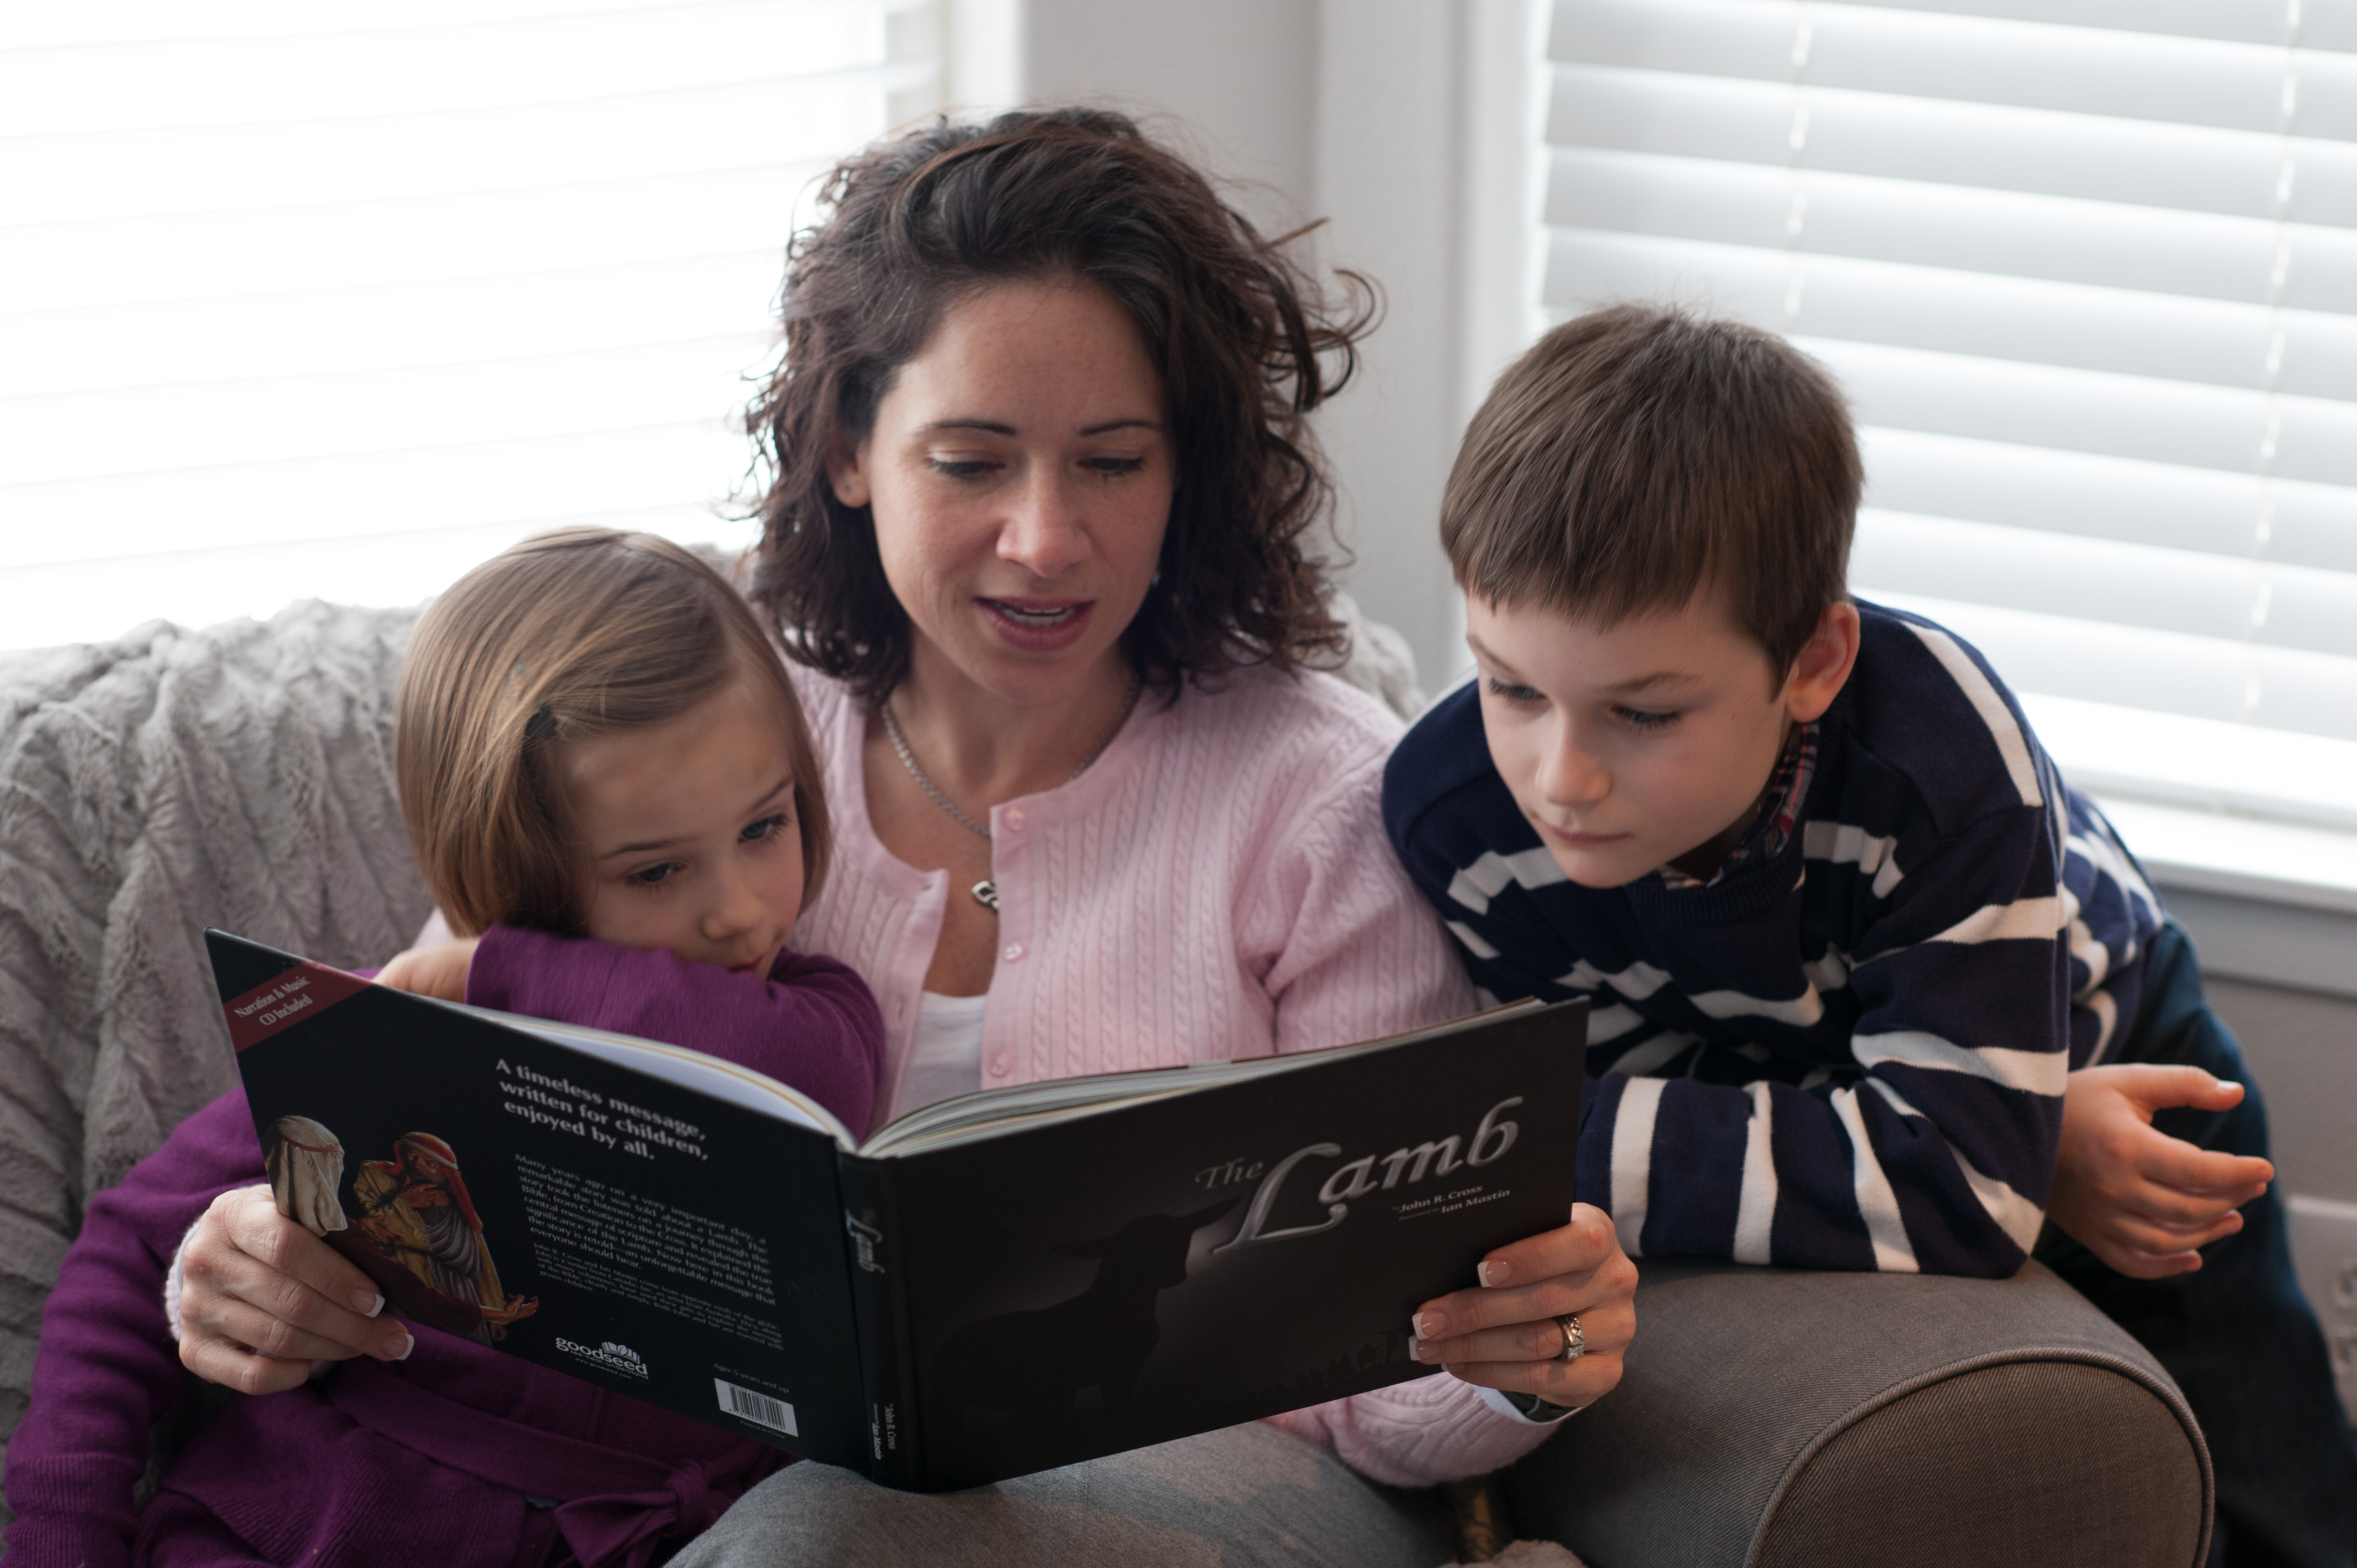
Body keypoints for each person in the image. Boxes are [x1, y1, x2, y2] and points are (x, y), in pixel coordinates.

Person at [156, 109, 1640, 1566]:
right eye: (973, 462)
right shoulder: (721, 716)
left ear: (1186, 470)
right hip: (701, 1494)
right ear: (851, 448)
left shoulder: (1318, 796)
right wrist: (253, 1249)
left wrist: (1520, 1360)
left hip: (1233, 1499)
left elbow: (1394, 1397)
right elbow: (432, 1067)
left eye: (1112, 462)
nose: (1044, 540)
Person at [1384, 302, 2357, 1567]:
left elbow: (1943, 1195)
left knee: (2276, 1504)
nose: (1560, 779)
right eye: (1511, 686)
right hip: (1882, 1094)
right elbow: (1679, 1114)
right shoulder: (1455, 814)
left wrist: (1991, 1146)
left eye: (1645, 713)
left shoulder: (1940, 761)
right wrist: (1998, 1146)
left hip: (2108, 1047)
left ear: (1813, 662)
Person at [3, 529, 884, 1567]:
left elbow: (792, 1073)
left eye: (764, 826)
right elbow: (131, 1246)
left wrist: (500, 970)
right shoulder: (394, 1028)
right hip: (301, 1516)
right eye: (655, 872)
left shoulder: (813, 1013)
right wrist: (64, 1537)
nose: (739, 913)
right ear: (511, 872)